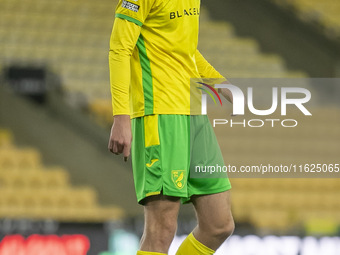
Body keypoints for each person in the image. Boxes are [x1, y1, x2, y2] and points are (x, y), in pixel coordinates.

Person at [107, 0, 235, 254]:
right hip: (159, 115)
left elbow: (185, 51)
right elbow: (119, 49)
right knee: (161, 229)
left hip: (194, 113)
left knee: (219, 224)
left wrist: (221, 84)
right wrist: (121, 117)